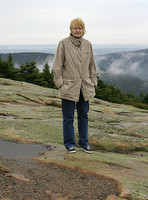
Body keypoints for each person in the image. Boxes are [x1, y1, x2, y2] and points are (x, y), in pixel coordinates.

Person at [52, 18, 97, 154]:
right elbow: (57, 66)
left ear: (84, 30)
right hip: (69, 87)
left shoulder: (88, 44)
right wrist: (60, 85)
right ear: (71, 30)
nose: (78, 30)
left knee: (83, 115)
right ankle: (70, 144)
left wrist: (93, 82)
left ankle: (84, 143)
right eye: (75, 28)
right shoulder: (63, 43)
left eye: (80, 28)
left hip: (85, 86)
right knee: (68, 117)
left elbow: (92, 65)